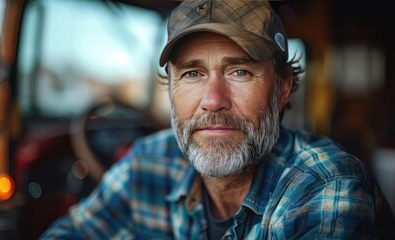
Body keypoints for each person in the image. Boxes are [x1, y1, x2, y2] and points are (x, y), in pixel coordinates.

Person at [40, 0, 395, 239]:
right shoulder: (148, 163)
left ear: (283, 88)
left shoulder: (323, 189)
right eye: (192, 74)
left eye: (239, 71)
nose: (213, 101)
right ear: (171, 87)